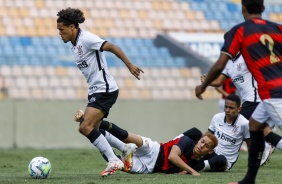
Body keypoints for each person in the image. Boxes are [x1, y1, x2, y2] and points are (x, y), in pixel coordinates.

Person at [195, 0, 282, 183]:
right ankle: (249, 180)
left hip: (273, 94)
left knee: (257, 128)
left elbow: (218, 64)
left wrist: (202, 87)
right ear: (264, 9)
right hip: (267, 96)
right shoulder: (276, 28)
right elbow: (222, 73)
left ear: (243, 8)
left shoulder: (240, 31)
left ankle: (266, 149)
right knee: (255, 127)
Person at [56, 8, 144, 177]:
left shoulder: (87, 38)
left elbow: (112, 47)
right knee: (94, 129)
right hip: (96, 90)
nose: (60, 33)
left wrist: (129, 65)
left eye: (62, 29)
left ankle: (114, 160)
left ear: (73, 27)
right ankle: (124, 147)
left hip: (105, 89)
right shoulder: (74, 46)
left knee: (85, 127)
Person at [73, 110, 218, 175]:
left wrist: (187, 170)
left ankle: (124, 155)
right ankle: (86, 120)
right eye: (202, 142)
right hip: (154, 150)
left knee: (118, 163)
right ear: (199, 139)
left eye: (206, 146)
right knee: (124, 135)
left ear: (210, 151)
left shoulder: (198, 164)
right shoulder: (187, 141)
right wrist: (191, 172)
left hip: (149, 167)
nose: (201, 146)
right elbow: (173, 157)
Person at [201, 53, 279, 165]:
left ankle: (265, 145)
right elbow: (219, 82)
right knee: (249, 127)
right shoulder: (228, 63)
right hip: (247, 101)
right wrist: (207, 82)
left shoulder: (246, 56)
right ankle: (266, 142)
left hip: (256, 98)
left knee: (239, 124)